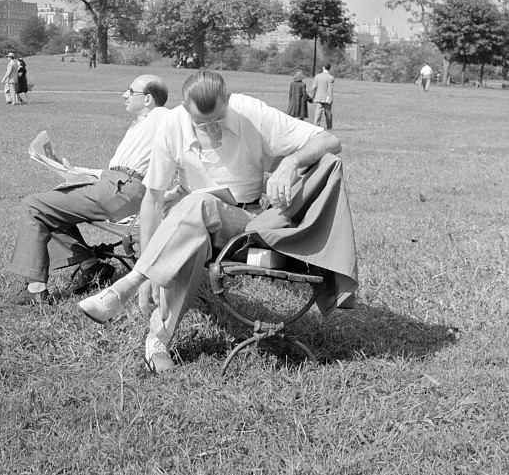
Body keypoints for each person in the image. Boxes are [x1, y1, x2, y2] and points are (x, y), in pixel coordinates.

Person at [78, 70, 342, 373]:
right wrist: (148, 265)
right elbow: (152, 200)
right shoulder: (172, 124)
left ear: (227, 100)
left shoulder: (251, 111)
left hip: (244, 224)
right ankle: (159, 338)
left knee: (198, 202)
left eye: (218, 119)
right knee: (194, 230)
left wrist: (291, 163)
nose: (212, 129)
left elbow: (329, 140)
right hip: (189, 223)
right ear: (185, 109)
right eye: (201, 124)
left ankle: (124, 286)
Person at [5, 75, 172, 305]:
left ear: (148, 99)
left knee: (34, 205)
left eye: (130, 91)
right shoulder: (141, 124)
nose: (124, 95)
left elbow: (181, 122)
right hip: (116, 185)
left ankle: (36, 290)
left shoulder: (161, 116)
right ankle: (91, 267)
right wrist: (75, 170)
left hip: (122, 190)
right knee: (50, 204)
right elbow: (113, 171)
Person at [310, 63, 335, 130]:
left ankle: (316, 126)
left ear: (323, 68)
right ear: (329, 68)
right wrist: (330, 98)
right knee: (328, 114)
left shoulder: (317, 76)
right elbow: (330, 89)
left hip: (318, 97)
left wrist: (312, 96)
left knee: (318, 113)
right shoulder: (331, 77)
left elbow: (314, 87)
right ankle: (329, 127)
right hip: (327, 98)